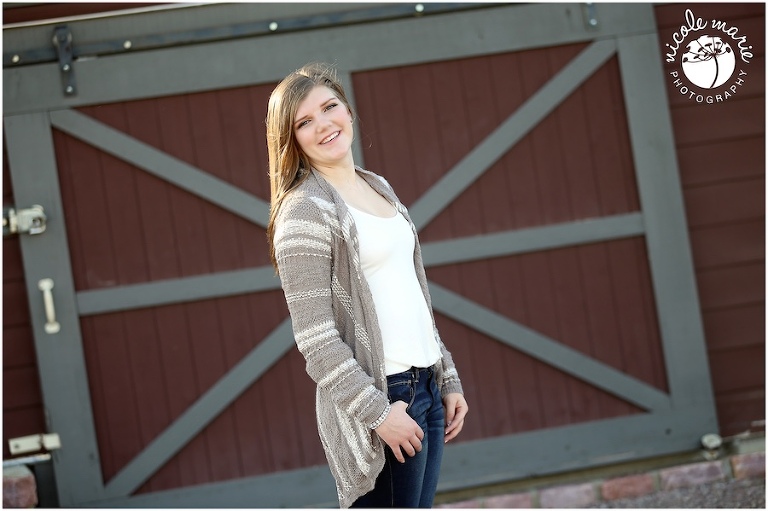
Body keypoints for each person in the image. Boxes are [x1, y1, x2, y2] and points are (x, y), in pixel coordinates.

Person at [265, 62, 468, 508]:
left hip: (426, 390)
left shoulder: (379, 188)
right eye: (304, 122)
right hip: (383, 399)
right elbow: (315, 339)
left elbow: (412, 295)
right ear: (291, 139)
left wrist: (446, 375)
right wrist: (378, 414)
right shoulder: (304, 212)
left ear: (349, 111)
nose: (323, 125)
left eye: (329, 107)